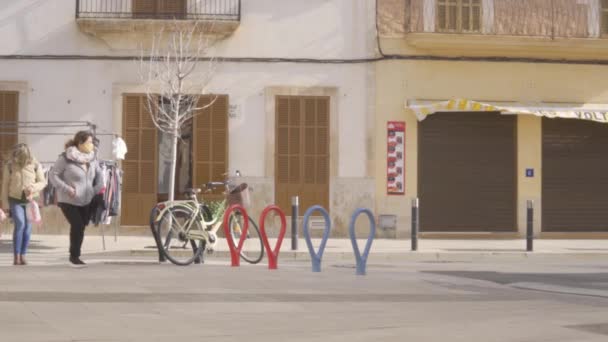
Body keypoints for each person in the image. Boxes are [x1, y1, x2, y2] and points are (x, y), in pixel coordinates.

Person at [50, 131, 104, 267]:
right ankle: (74, 256)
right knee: (77, 225)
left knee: (81, 227)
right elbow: (53, 175)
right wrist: (67, 189)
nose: (92, 145)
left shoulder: (92, 158)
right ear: (80, 143)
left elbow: (100, 176)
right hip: (68, 199)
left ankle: (75, 255)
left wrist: (95, 189)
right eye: (89, 142)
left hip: (86, 199)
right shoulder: (65, 158)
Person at [0, 143, 47, 266]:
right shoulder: (10, 165)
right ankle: (16, 256)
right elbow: (5, 185)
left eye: (24, 158)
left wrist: (33, 187)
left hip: (30, 200)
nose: (21, 161)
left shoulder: (35, 165)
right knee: (20, 224)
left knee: (28, 227)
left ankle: (23, 254)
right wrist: (5, 205)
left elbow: (43, 182)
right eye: (18, 158)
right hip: (14, 199)